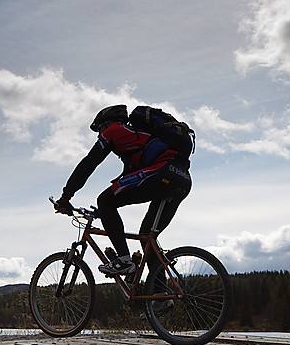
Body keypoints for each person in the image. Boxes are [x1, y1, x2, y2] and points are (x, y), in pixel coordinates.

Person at [54, 105, 192, 276]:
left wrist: (66, 196)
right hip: (182, 179)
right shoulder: (137, 140)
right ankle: (160, 297)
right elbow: (128, 180)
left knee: (104, 200)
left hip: (161, 172)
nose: (99, 135)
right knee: (147, 236)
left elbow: (88, 164)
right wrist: (105, 214)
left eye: (99, 129)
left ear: (108, 123)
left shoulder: (115, 130)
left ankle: (124, 260)